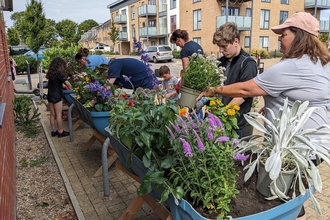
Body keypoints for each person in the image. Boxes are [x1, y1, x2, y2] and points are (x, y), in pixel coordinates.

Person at [197, 12, 330, 220]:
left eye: (283, 34)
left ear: (299, 36)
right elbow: (307, 96)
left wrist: (214, 90)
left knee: (283, 199)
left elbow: (245, 90)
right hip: (314, 144)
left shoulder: (292, 66)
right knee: (291, 196)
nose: (279, 38)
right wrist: (274, 106)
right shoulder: (319, 63)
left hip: (296, 149)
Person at [213, 22, 257, 137]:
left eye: (224, 46)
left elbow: (243, 95)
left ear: (235, 41)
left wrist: (223, 115)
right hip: (217, 120)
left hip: (235, 124)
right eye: (219, 47)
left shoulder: (248, 63)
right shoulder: (220, 62)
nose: (221, 50)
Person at [46, 57, 72, 138]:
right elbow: (67, 84)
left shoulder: (51, 73)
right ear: (60, 65)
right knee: (58, 115)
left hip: (50, 95)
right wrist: (71, 87)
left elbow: (57, 83)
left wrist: (62, 85)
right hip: (57, 96)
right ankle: (60, 131)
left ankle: (53, 131)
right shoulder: (59, 73)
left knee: (52, 114)